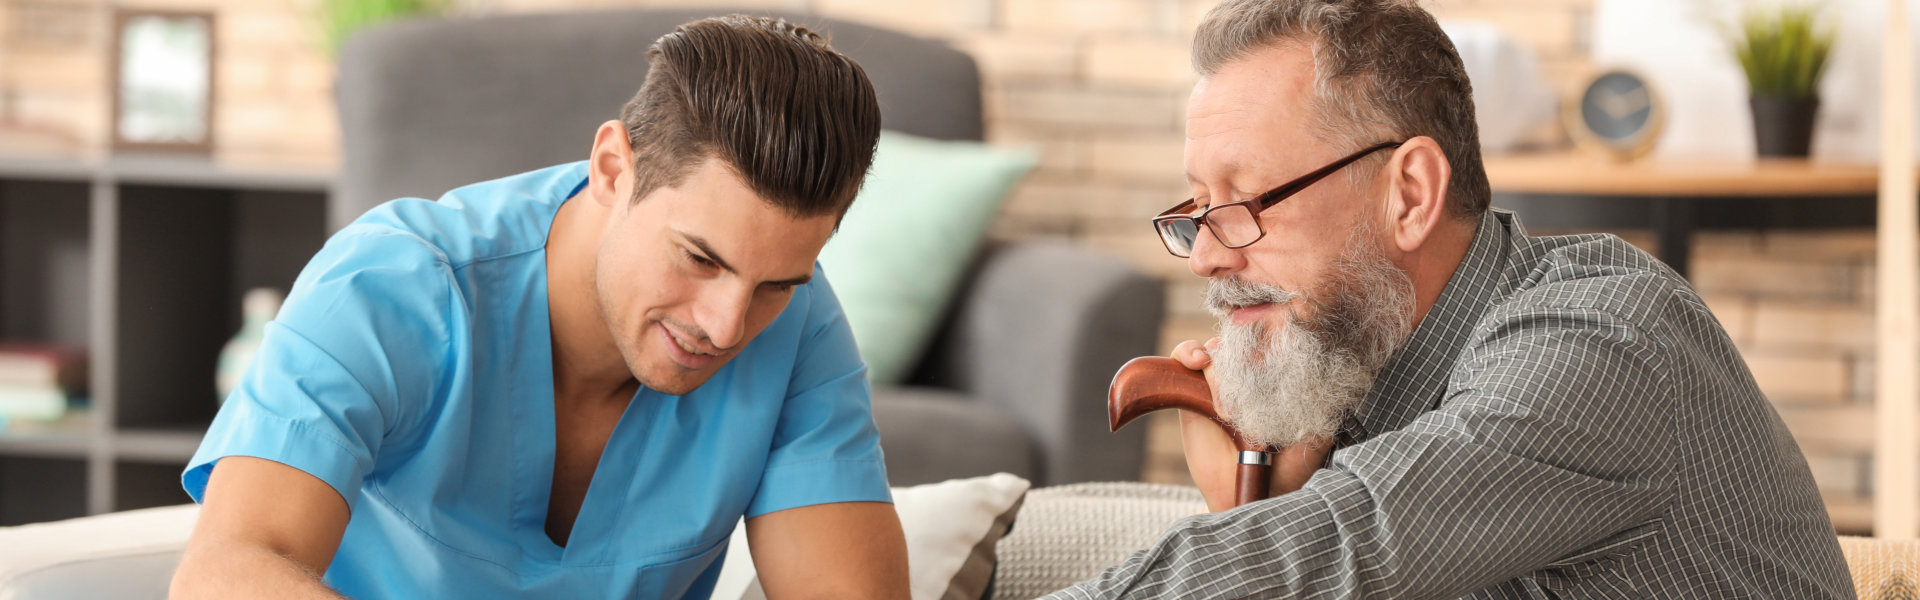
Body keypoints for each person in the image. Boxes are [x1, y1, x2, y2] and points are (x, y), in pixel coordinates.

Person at [1050, 0, 1854, 597]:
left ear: (1410, 194)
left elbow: (1345, 543)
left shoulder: (1601, 345)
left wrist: (1272, 530)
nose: (1208, 258)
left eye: (1247, 203)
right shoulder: (1365, 372)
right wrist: (1257, 506)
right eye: (1198, 209)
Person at [169, 15, 908, 599]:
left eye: (776, 283)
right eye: (700, 258)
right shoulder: (390, 285)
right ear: (615, 169)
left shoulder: (801, 325)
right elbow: (227, 572)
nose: (727, 325)